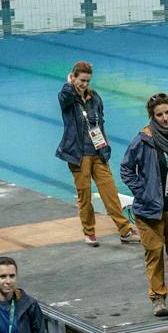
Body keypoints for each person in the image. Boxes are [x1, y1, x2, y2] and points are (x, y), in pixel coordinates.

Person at [120, 93, 168, 318]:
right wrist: (143, 191)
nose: (164, 118)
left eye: (167, 113)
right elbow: (126, 169)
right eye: (159, 114)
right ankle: (157, 297)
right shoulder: (144, 139)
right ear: (152, 116)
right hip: (150, 207)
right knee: (154, 253)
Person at [56, 62, 137, 249]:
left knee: (110, 192)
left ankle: (125, 231)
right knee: (84, 195)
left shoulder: (95, 98)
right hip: (78, 155)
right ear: (73, 77)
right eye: (81, 80)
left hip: (97, 153)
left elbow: (101, 123)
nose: (84, 84)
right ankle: (89, 232)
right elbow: (66, 95)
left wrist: (106, 147)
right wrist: (69, 83)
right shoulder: (67, 97)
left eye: (87, 81)